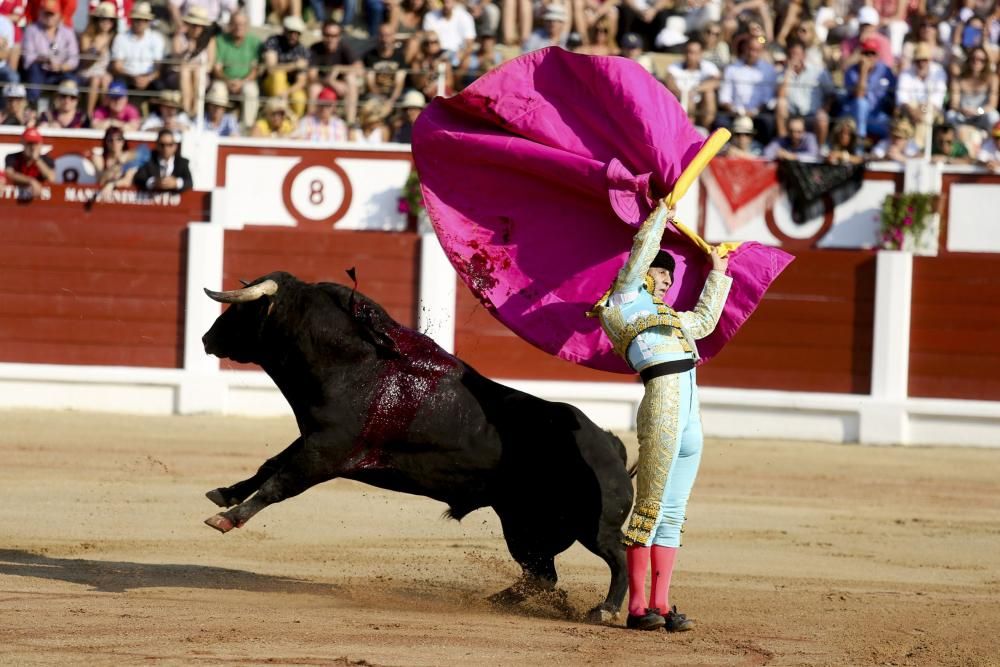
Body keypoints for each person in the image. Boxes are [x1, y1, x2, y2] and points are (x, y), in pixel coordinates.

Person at [593, 201, 731, 632]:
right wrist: (660, 217)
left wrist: (717, 270)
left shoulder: (672, 318)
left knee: (674, 511)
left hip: (691, 407)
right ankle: (637, 608)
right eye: (662, 271)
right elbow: (639, 254)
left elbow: (706, 321)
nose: (668, 279)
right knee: (651, 505)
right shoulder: (624, 300)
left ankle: (663, 605)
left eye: (671, 274)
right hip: (664, 396)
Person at [717, 35, 777, 144]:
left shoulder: (768, 70)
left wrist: (754, 111)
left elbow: (768, 98)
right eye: (750, 49)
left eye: (756, 50)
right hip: (734, 112)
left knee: (769, 122)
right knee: (720, 123)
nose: (752, 53)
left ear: (761, 51)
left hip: (758, 113)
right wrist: (736, 110)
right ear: (745, 48)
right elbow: (724, 98)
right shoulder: (732, 69)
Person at [21, 0, 78, 103]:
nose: (49, 17)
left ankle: (69, 113)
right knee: (34, 71)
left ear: (59, 15)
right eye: (46, 13)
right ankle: (31, 107)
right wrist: (44, 60)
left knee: (73, 80)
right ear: (40, 13)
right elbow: (28, 58)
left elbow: (74, 59)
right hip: (39, 71)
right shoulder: (31, 30)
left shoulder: (68, 32)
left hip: (61, 71)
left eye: (52, 14)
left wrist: (60, 67)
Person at [841, 37, 896, 143]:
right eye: (866, 53)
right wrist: (863, 72)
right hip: (852, 115)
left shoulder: (885, 70)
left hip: (876, 115)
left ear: (878, 55)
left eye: (872, 53)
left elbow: (894, 96)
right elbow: (859, 95)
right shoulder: (851, 71)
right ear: (861, 54)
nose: (869, 57)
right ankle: (859, 144)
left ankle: (879, 153)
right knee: (861, 104)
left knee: (894, 130)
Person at [212, 10, 259, 129]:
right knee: (218, 90)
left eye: (242, 24)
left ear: (247, 26)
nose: (239, 27)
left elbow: (255, 70)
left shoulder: (254, 42)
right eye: (236, 24)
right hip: (224, 80)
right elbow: (217, 69)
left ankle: (246, 128)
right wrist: (228, 81)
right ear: (230, 25)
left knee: (251, 91)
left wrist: (242, 82)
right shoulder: (220, 40)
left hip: (245, 81)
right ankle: (215, 126)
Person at [307, 20, 360, 124]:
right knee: (313, 89)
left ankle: (350, 123)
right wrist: (330, 81)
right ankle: (311, 124)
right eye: (327, 35)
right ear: (322, 35)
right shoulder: (315, 49)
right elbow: (312, 76)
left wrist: (339, 68)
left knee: (351, 81)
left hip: (341, 86)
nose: (330, 39)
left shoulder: (344, 47)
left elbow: (359, 68)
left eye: (334, 35)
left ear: (339, 36)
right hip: (322, 84)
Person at [109, 2, 166, 94]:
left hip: (150, 80)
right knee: (116, 90)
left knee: (161, 91)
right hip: (126, 78)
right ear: (132, 20)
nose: (141, 23)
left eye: (144, 20)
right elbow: (117, 66)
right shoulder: (121, 38)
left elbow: (158, 68)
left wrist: (147, 79)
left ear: (148, 22)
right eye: (138, 19)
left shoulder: (157, 38)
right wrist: (132, 77)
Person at [260, 15, 309, 118]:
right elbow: (271, 69)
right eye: (291, 32)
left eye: (297, 33)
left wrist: (287, 92)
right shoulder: (273, 41)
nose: (293, 36)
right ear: (284, 30)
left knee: (299, 98)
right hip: (270, 83)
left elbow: (301, 81)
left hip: (289, 88)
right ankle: (278, 114)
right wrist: (294, 65)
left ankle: (294, 123)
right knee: (278, 76)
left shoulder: (302, 50)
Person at [666, 38, 720, 129]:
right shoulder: (674, 67)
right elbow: (670, 82)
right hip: (681, 101)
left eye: (694, 53)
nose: (690, 55)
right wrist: (684, 95)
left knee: (709, 93)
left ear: (701, 53)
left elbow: (716, 82)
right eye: (688, 52)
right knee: (683, 97)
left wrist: (694, 90)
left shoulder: (708, 67)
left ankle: (707, 126)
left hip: (701, 104)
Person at [946, 45, 999, 134]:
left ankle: (992, 141)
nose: (976, 62)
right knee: (950, 115)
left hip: (982, 114)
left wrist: (978, 111)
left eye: (981, 60)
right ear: (968, 60)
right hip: (963, 115)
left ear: (986, 62)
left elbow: (992, 104)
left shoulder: (992, 79)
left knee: (994, 116)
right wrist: (962, 110)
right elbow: (954, 104)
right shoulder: (958, 79)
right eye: (973, 59)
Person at [78, 1, 117, 117]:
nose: (107, 23)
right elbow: (84, 63)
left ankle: (103, 114)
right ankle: (89, 115)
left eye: (110, 20)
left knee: (106, 78)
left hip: (103, 73)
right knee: (96, 79)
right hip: (87, 72)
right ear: (96, 20)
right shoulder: (86, 36)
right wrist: (95, 52)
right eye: (103, 19)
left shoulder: (113, 37)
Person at [90, 125, 150, 197]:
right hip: (102, 197)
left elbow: (127, 181)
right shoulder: (99, 158)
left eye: (119, 139)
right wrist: (118, 164)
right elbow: (101, 180)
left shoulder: (129, 156)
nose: (114, 143)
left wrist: (112, 184)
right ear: (105, 142)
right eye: (110, 140)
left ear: (123, 142)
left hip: (123, 197)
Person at [133, 127, 192, 192]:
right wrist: (154, 182)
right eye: (162, 145)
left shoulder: (182, 162)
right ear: (157, 145)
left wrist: (176, 183)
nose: (166, 148)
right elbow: (139, 178)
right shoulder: (149, 159)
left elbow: (189, 182)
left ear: (175, 146)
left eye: (170, 145)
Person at [4, 126, 55, 197]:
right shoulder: (12, 157)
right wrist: (30, 181)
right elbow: (10, 173)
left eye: (35, 143)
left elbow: (51, 178)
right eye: (29, 143)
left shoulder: (46, 160)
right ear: (23, 143)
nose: (33, 147)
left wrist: (36, 160)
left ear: (40, 145)